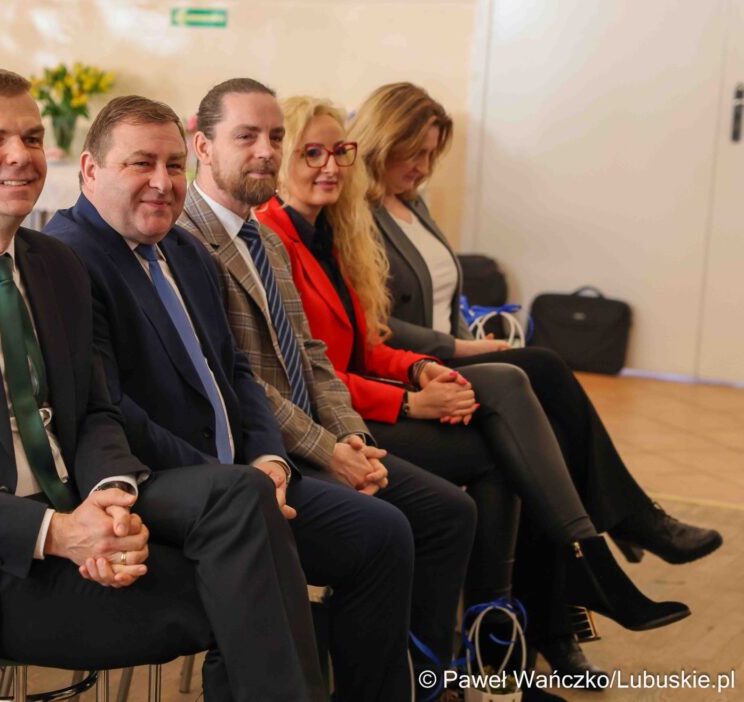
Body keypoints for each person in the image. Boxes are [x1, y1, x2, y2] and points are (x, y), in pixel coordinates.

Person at [0, 69, 329, 702]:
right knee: (255, 599)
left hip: (75, 504)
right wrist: (58, 533)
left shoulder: (55, 264)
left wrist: (109, 499)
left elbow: (96, 411)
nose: (20, 156)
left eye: (31, 138)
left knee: (243, 500)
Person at [256, 95, 691, 639]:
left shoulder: (329, 234)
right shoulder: (273, 239)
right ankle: (548, 586)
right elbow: (308, 374)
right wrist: (410, 398)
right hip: (332, 424)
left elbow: (365, 346)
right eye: (312, 153)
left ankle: (507, 614)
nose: (330, 166)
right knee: (510, 425)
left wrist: (421, 370)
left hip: (368, 395)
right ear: (281, 159)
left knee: (519, 397)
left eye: (340, 152)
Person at [46, 93, 416, 702]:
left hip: (242, 475)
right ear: (89, 170)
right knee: (253, 547)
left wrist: (269, 460)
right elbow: (109, 411)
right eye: (141, 164)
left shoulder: (186, 249)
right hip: (157, 480)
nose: (163, 182)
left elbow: (237, 371)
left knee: (382, 533)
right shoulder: (67, 257)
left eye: (174, 165)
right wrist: (235, 478)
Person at [348, 80, 723, 671]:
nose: (420, 167)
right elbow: (371, 324)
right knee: (541, 378)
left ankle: (545, 624)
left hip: (451, 359)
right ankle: (609, 549)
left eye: (430, 155)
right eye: (411, 152)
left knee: (545, 449)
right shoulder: (354, 213)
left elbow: (440, 296)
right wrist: (458, 348)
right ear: (380, 140)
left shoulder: (413, 204)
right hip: (411, 374)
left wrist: (467, 343)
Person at [176, 77, 482, 684]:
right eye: (247, 137)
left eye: (274, 137)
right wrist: (327, 449)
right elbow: (235, 378)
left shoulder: (264, 238)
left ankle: (430, 676)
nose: (266, 151)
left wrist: (352, 436)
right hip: (254, 450)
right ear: (203, 146)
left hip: (313, 438)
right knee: (385, 531)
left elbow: (311, 354)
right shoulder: (185, 239)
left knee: (450, 511)